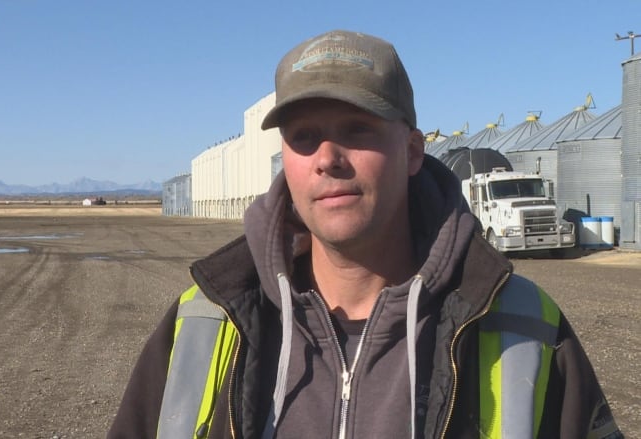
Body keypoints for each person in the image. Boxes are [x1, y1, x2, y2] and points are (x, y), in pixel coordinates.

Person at [107, 30, 623, 439]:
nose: (328, 159)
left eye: (357, 129)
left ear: (414, 151)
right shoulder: (203, 322)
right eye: (304, 137)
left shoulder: (521, 326)